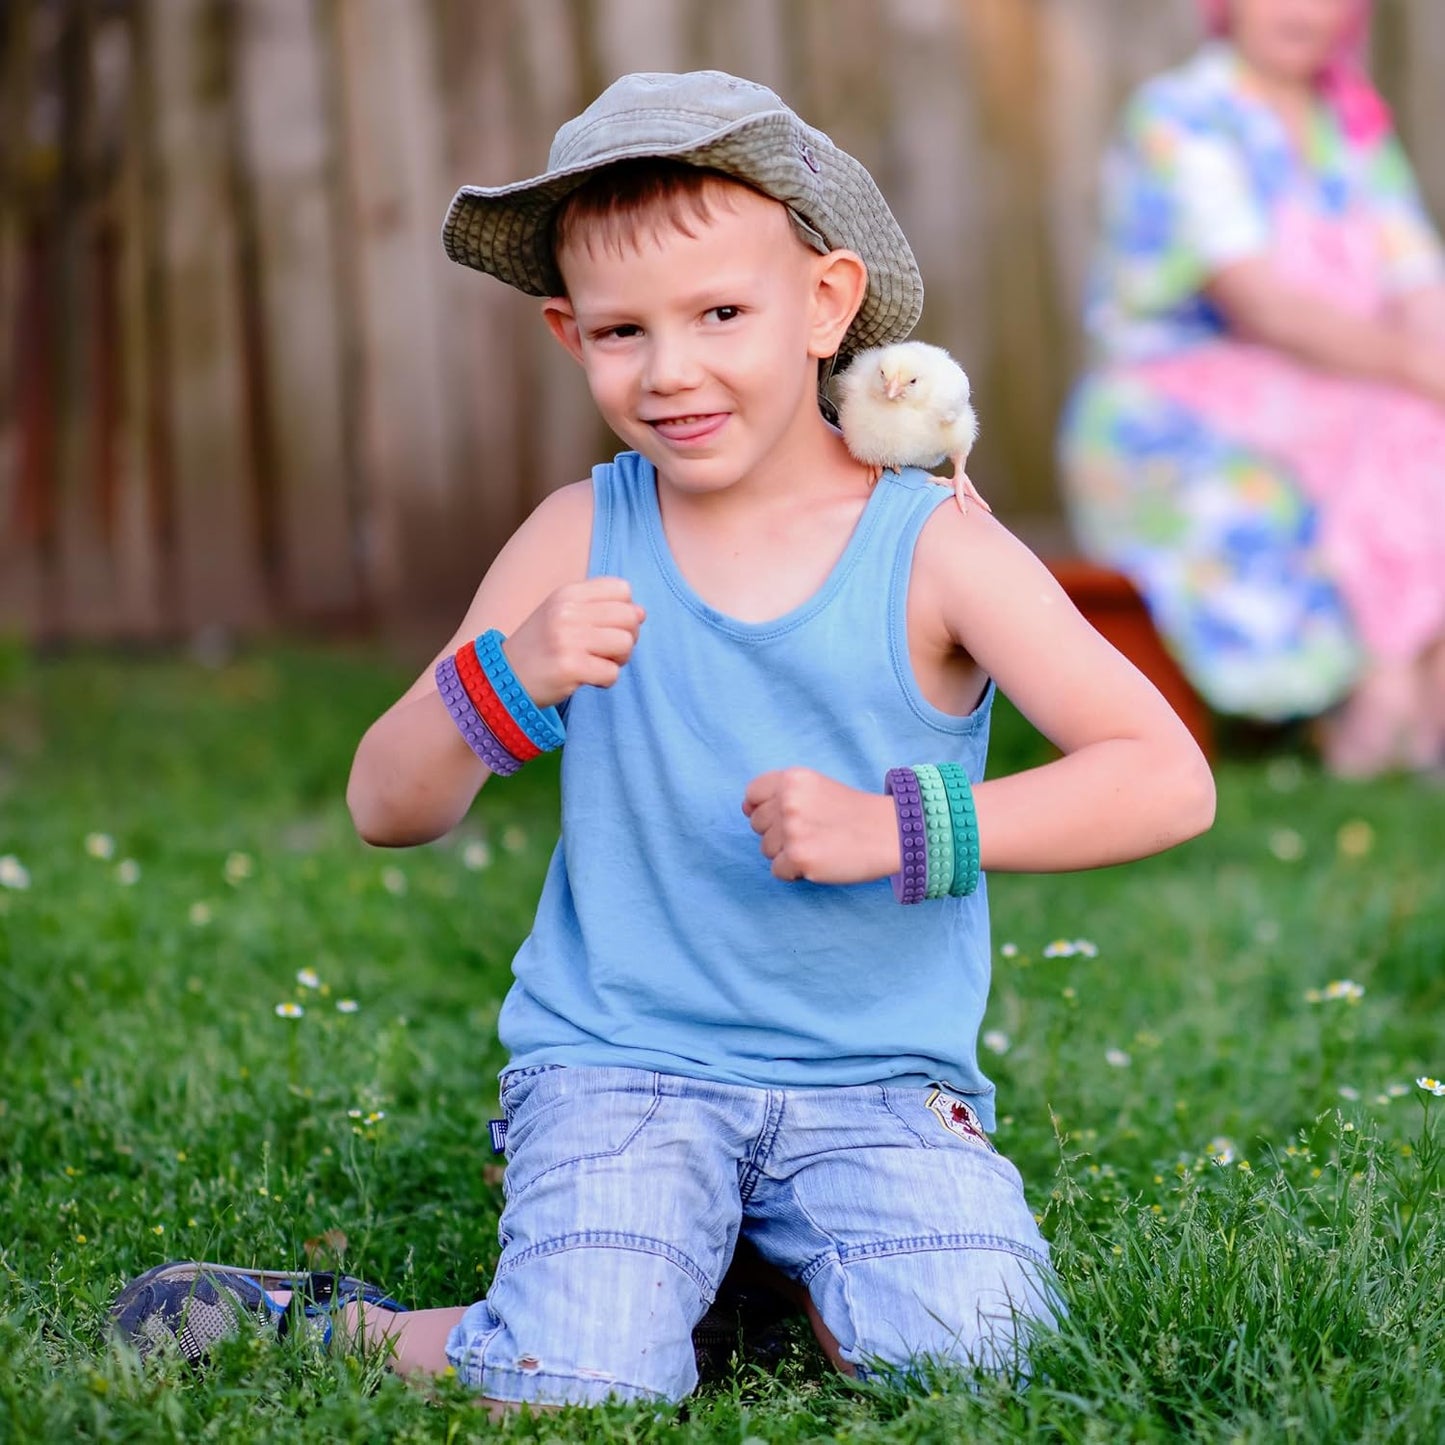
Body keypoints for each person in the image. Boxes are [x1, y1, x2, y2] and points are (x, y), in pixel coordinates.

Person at [112, 69, 1215, 1409]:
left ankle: (732, 1264)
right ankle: (348, 1327)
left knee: (978, 1360)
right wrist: (504, 677)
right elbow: (384, 803)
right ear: (570, 337)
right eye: (625, 330)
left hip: (873, 1084)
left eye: (721, 314)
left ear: (825, 306)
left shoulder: (933, 547)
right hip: (626, 1064)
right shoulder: (581, 534)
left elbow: (1164, 779)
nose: (671, 368)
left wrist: (900, 826)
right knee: (576, 1378)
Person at [1058, 0, 1445, 776]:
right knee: (1407, 422)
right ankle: (1384, 698)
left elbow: (1415, 273)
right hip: (1177, 398)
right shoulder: (1182, 114)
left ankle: (1414, 699)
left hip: (1335, 378)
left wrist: (1429, 351)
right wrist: (1417, 367)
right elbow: (1260, 303)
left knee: (1412, 417)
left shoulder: (1349, 120)